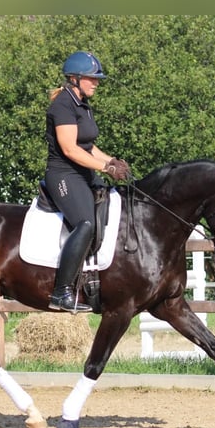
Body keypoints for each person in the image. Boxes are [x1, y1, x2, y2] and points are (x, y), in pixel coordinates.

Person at [44, 50, 131, 313]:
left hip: (83, 173)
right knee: (85, 223)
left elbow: (88, 147)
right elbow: (70, 149)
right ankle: (61, 293)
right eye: (91, 78)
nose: (96, 83)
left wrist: (112, 161)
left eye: (97, 79)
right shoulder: (62, 106)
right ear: (74, 78)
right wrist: (106, 168)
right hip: (63, 176)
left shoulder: (82, 104)